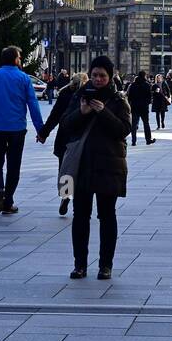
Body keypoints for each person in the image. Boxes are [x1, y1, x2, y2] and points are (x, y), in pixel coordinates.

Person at [55, 56, 131, 280]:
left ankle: (105, 265)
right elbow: (65, 126)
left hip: (109, 166)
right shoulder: (78, 96)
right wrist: (83, 112)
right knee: (81, 216)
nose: (98, 79)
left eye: (103, 76)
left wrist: (103, 112)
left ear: (110, 77)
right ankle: (80, 264)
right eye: (95, 75)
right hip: (82, 166)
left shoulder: (118, 100)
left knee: (107, 216)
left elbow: (124, 130)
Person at [0, 45, 45, 215]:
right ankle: (8, 201)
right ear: (15, 59)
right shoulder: (24, 78)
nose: (20, 60)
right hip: (17, 129)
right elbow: (33, 104)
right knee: (14, 166)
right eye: (19, 57)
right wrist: (40, 129)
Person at [38, 72, 87, 216]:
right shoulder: (87, 95)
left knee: (64, 169)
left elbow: (54, 116)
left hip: (64, 137)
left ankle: (65, 197)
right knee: (82, 170)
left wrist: (43, 133)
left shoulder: (65, 94)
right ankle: (79, 200)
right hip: (81, 138)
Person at [125, 70, 154, 146]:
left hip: (134, 107)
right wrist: (147, 103)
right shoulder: (147, 85)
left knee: (134, 125)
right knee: (146, 124)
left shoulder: (133, 85)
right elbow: (149, 97)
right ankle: (148, 140)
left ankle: (133, 141)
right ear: (144, 76)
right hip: (144, 107)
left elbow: (129, 97)